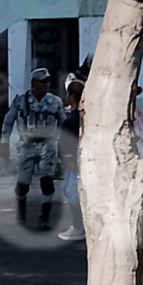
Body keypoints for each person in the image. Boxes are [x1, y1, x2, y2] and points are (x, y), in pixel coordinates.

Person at [0, 68, 66, 231]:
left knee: (47, 181)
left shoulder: (55, 101)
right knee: (23, 183)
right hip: (26, 145)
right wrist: (4, 143)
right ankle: (21, 214)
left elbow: (64, 124)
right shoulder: (21, 101)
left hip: (47, 145)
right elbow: (8, 121)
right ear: (33, 83)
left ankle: (45, 218)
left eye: (48, 81)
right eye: (43, 81)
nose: (46, 84)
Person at [58, 79, 86, 242]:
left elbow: (67, 142)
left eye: (68, 93)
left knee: (72, 192)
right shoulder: (83, 117)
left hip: (74, 161)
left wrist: (69, 159)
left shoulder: (73, 120)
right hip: (79, 160)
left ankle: (78, 227)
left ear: (73, 96)